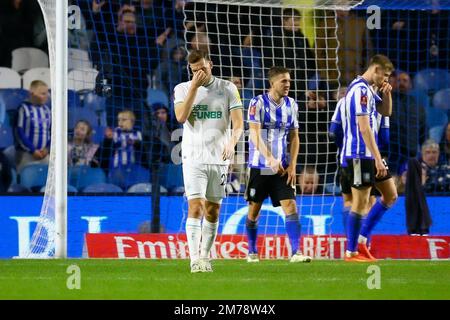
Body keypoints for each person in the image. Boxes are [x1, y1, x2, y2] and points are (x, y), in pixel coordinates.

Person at [173, 50, 244, 273]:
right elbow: (181, 117)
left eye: (202, 69)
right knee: (196, 207)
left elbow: (238, 124)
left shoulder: (228, 88)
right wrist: (194, 87)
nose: (199, 73)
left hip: (219, 158)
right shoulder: (183, 89)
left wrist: (232, 143)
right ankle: (195, 260)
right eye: (194, 71)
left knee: (212, 210)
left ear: (210, 64)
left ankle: (205, 256)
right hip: (193, 157)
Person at [244, 66, 311, 264]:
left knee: (290, 206)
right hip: (260, 165)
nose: (288, 84)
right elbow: (255, 134)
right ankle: (252, 251)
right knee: (254, 210)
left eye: (289, 81)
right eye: (283, 81)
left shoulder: (292, 104)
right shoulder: (257, 103)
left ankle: (296, 252)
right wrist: (269, 159)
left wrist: (292, 165)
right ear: (272, 83)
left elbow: (295, 137)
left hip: (282, 167)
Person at [340, 54, 394, 262]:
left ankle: (362, 239)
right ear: (376, 70)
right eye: (385, 75)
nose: (386, 79)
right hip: (359, 154)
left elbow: (385, 112)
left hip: (370, 155)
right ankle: (351, 252)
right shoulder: (360, 90)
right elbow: (364, 127)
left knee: (390, 195)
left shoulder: (370, 90)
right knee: (360, 203)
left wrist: (387, 94)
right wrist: (378, 159)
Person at [15, 80, 51, 172]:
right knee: (26, 178)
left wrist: (47, 148)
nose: (46, 96)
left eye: (47, 93)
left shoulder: (47, 110)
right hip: (27, 154)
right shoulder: (23, 108)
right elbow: (19, 132)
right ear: (32, 93)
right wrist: (32, 150)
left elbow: (51, 132)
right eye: (43, 94)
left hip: (44, 155)